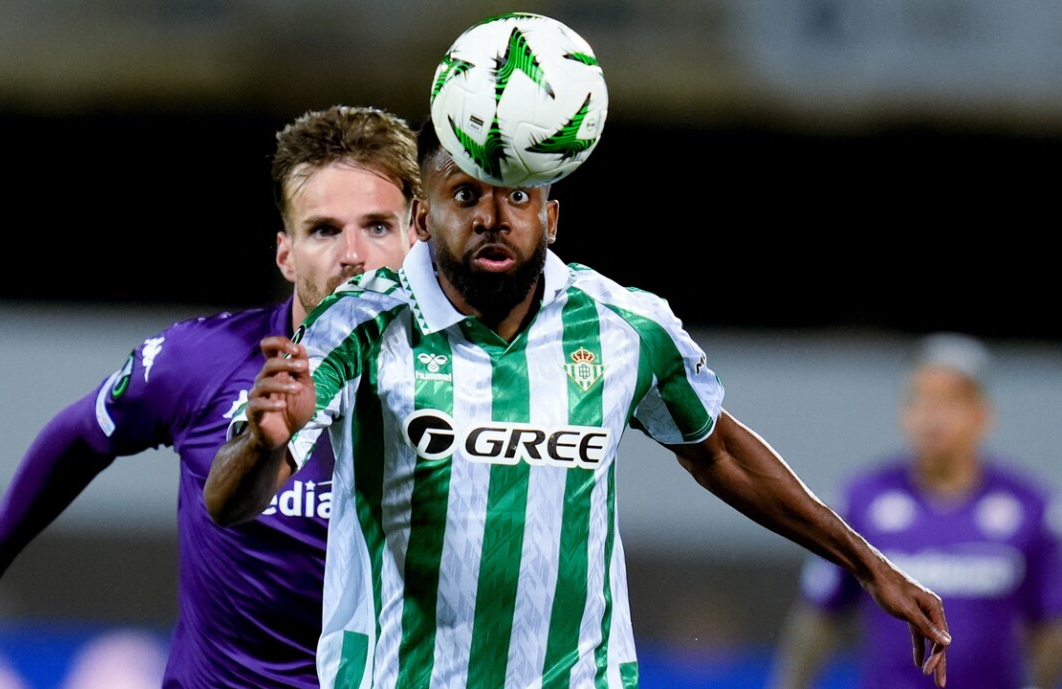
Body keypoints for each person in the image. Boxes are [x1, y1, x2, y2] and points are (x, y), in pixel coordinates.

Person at [202, 116, 953, 689]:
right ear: (424, 219)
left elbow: (719, 450)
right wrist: (264, 443)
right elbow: (229, 502)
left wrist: (867, 565)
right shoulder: (361, 321)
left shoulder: (626, 326)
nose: (494, 216)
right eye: (466, 194)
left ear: (550, 218)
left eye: (518, 196)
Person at [0, 104, 422, 689]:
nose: (353, 256)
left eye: (378, 227)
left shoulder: (474, 389)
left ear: (416, 235)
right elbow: (80, 436)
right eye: (324, 230)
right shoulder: (200, 364)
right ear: (285, 254)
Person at [768, 332, 1062, 689]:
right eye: (919, 399)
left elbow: (1051, 624)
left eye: (949, 401)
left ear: (982, 415)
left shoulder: (1030, 508)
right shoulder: (860, 501)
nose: (932, 416)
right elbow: (819, 615)